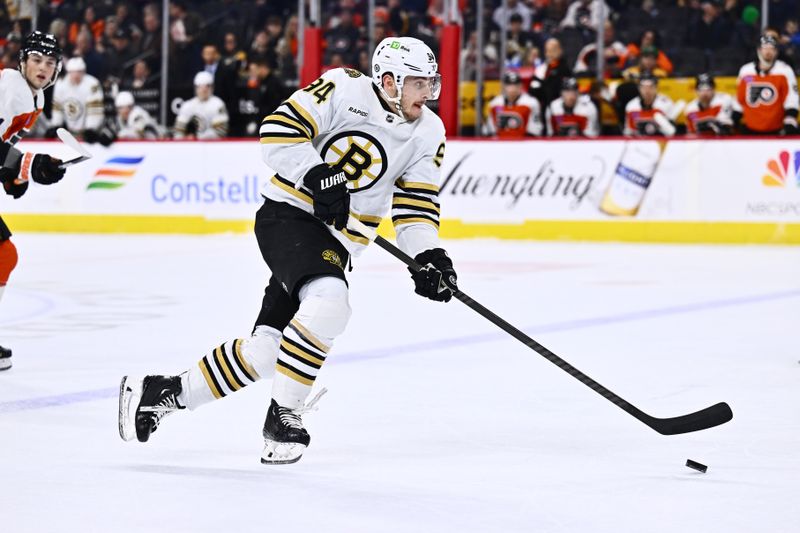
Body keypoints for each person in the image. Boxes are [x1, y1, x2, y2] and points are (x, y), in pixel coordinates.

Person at [118, 37, 455, 465]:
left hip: (340, 241)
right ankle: (284, 416)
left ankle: (164, 391)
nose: (428, 93)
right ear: (389, 81)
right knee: (330, 301)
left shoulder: (429, 131)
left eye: (431, 83)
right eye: (418, 84)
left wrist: (429, 256)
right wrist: (316, 174)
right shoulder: (343, 87)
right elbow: (276, 131)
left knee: (268, 353)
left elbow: (415, 204)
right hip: (289, 216)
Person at [0, 32, 67, 371]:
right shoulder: (10, 86)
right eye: (37, 60)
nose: (43, 68)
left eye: (50, 62)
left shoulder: (36, 100)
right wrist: (25, 164)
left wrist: (14, 176)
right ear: (23, 61)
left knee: (3, 255)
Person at [732, 35, 799, 135]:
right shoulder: (746, 71)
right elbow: (740, 99)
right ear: (759, 50)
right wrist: (734, 120)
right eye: (765, 48)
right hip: (750, 129)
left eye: (772, 48)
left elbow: (792, 98)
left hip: (776, 129)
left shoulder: (785, 70)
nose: (768, 51)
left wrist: (790, 118)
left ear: (776, 52)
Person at [51, 56, 105, 140]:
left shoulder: (92, 84)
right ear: (68, 72)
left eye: (79, 72)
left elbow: (95, 110)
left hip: (89, 132)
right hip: (69, 130)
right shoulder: (60, 84)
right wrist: (56, 125)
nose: (76, 75)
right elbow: (57, 107)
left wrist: (90, 129)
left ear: (84, 72)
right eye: (73, 72)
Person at [484, 70, 543, 138]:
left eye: (515, 85)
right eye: (509, 85)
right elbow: (490, 129)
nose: (512, 88)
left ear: (520, 86)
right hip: (500, 143)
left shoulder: (531, 103)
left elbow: (536, 128)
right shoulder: (495, 103)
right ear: (504, 86)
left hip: (523, 143)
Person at [173, 71, 229, 139]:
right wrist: (184, 140)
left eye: (207, 86)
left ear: (212, 87)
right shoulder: (188, 105)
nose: (203, 89)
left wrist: (197, 138)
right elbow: (178, 131)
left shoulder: (218, 104)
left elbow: (220, 132)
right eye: (200, 86)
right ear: (195, 88)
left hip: (213, 146)